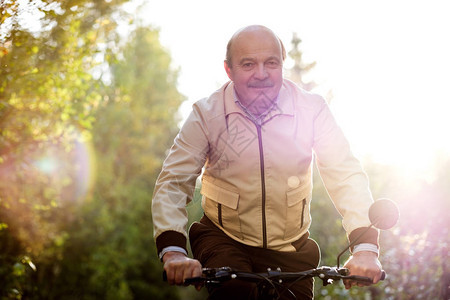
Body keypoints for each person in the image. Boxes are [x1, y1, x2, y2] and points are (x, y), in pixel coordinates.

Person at [151, 25, 382, 299]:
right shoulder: (206, 114)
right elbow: (173, 182)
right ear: (229, 70)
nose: (261, 74)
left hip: (290, 248)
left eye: (270, 63)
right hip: (224, 239)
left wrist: (365, 248)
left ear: (282, 65)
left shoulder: (312, 109)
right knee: (236, 292)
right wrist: (174, 252)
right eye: (248, 64)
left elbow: (344, 174)